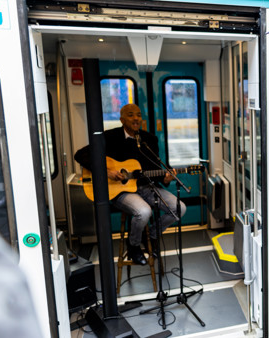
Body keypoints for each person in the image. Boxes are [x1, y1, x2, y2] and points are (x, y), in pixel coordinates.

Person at [75, 103, 186, 265]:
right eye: (131, 115)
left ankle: (151, 235)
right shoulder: (109, 137)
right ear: (122, 119)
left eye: (139, 115)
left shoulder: (149, 140)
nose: (136, 119)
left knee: (179, 208)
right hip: (121, 191)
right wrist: (106, 171)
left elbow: (155, 168)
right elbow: (80, 155)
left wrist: (165, 179)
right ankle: (134, 245)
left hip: (147, 187)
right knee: (143, 211)